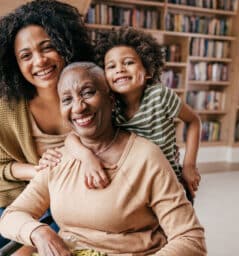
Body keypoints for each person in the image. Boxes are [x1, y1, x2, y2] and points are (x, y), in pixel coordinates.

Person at [0, 62, 207, 256]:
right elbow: (11, 216)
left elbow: (191, 239)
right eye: (67, 99)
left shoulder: (146, 157)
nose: (79, 107)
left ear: (110, 99)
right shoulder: (58, 158)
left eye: (88, 93)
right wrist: (38, 232)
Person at [66, 27, 201, 202]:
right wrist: (87, 157)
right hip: (130, 187)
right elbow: (71, 137)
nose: (120, 69)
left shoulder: (160, 96)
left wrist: (189, 165)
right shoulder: (107, 106)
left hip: (169, 183)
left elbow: (194, 121)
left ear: (148, 71)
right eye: (111, 66)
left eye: (128, 62)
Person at [0, 0, 94, 248]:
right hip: (18, 198)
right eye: (26, 56)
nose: (39, 61)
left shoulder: (96, 95)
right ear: (15, 65)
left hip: (81, 200)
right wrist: (36, 171)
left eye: (48, 47)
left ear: (67, 46)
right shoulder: (5, 109)